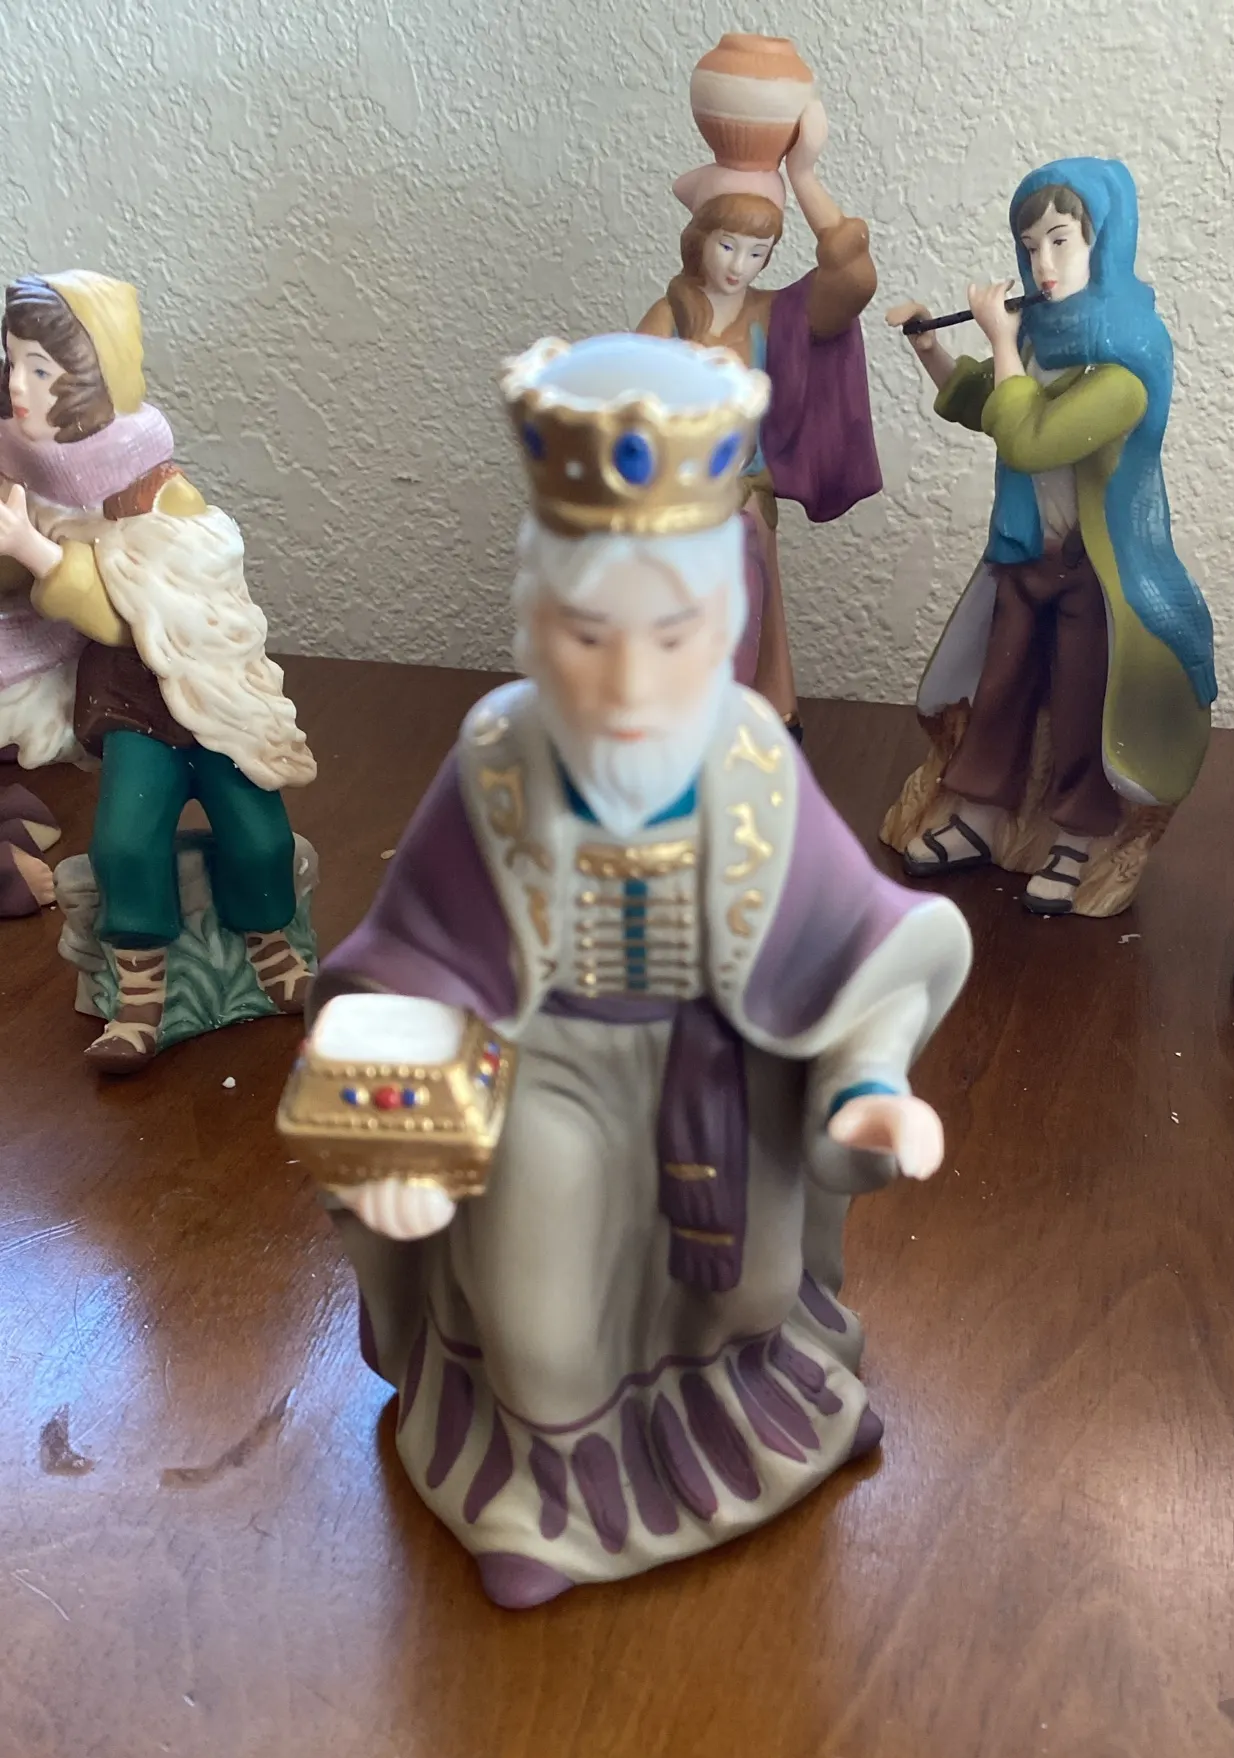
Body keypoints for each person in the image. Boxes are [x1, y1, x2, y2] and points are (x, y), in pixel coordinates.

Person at [289, 334, 971, 1610]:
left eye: (671, 637)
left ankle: (770, 1425)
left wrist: (864, 1088)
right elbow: (412, 957)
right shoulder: (497, 760)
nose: (626, 684)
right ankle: (544, 1499)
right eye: (586, 636)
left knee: (747, 1295)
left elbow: (855, 945)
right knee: (539, 1319)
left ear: (724, 627)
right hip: (545, 1068)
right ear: (534, 623)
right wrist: (396, 1138)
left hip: (723, 1073)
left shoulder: (751, 760)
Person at [0, 271, 316, 1065]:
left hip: (210, 707)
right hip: (131, 712)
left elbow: (132, 612)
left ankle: (272, 949)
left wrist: (38, 551)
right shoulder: (33, 487)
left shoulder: (163, 495)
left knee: (259, 835)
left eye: (40, 367)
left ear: (90, 374)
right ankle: (139, 993)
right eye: (13, 363)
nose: (19, 386)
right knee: (124, 845)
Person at [886, 157, 1215, 917]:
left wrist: (1003, 342)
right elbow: (987, 403)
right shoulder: (1037, 340)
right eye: (1030, 246)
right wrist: (932, 349)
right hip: (1022, 555)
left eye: (1061, 241)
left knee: (1078, 705)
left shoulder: (1126, 362)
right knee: (997, 691)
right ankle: (978, 814)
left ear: (1103, 243)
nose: (1042, 264)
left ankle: (1076, 837)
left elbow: (1029, 437)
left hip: (1090, 572)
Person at [637, 97, 880, 737]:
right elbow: (626, 401)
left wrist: (804, 176)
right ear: (699, 239)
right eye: (727, 244)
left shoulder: (774, 316)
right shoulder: (669, 315)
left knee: (747, 610)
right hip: (677, 506)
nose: (738, 266)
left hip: (743, 499)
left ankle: (748, 724)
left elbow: (854, 280)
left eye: (758, 251)